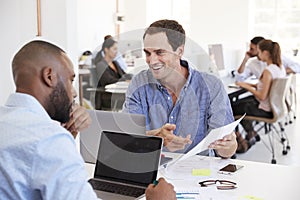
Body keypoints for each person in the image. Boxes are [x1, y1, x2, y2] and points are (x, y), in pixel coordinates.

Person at [0, 40, 176, 200]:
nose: (74, 93)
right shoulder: (49, 140)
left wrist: (68, 137)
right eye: (70, 80)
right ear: (49, 76)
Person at [122, 19, 237, 158]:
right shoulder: (139, 83)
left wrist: (228, 146)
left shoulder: (211, 86)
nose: (152, 61)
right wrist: (157, 137)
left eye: (160, 52)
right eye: (147, 53)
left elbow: (226, 152)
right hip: (154, 168)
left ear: (179, 51)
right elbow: (128, 138)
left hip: (198, 171)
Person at [232, 39, 286, 152]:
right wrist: (247, 84)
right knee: (240, 104)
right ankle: (251, 133)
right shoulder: (279, 68)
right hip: (274, 107)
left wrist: (247, 87)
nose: (258, 54)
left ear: (265, 53)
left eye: (260, 52)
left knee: (231, 107)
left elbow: (262, 96)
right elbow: (266, 87)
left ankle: (240, 143)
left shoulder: (268, 71)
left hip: (264, 109)